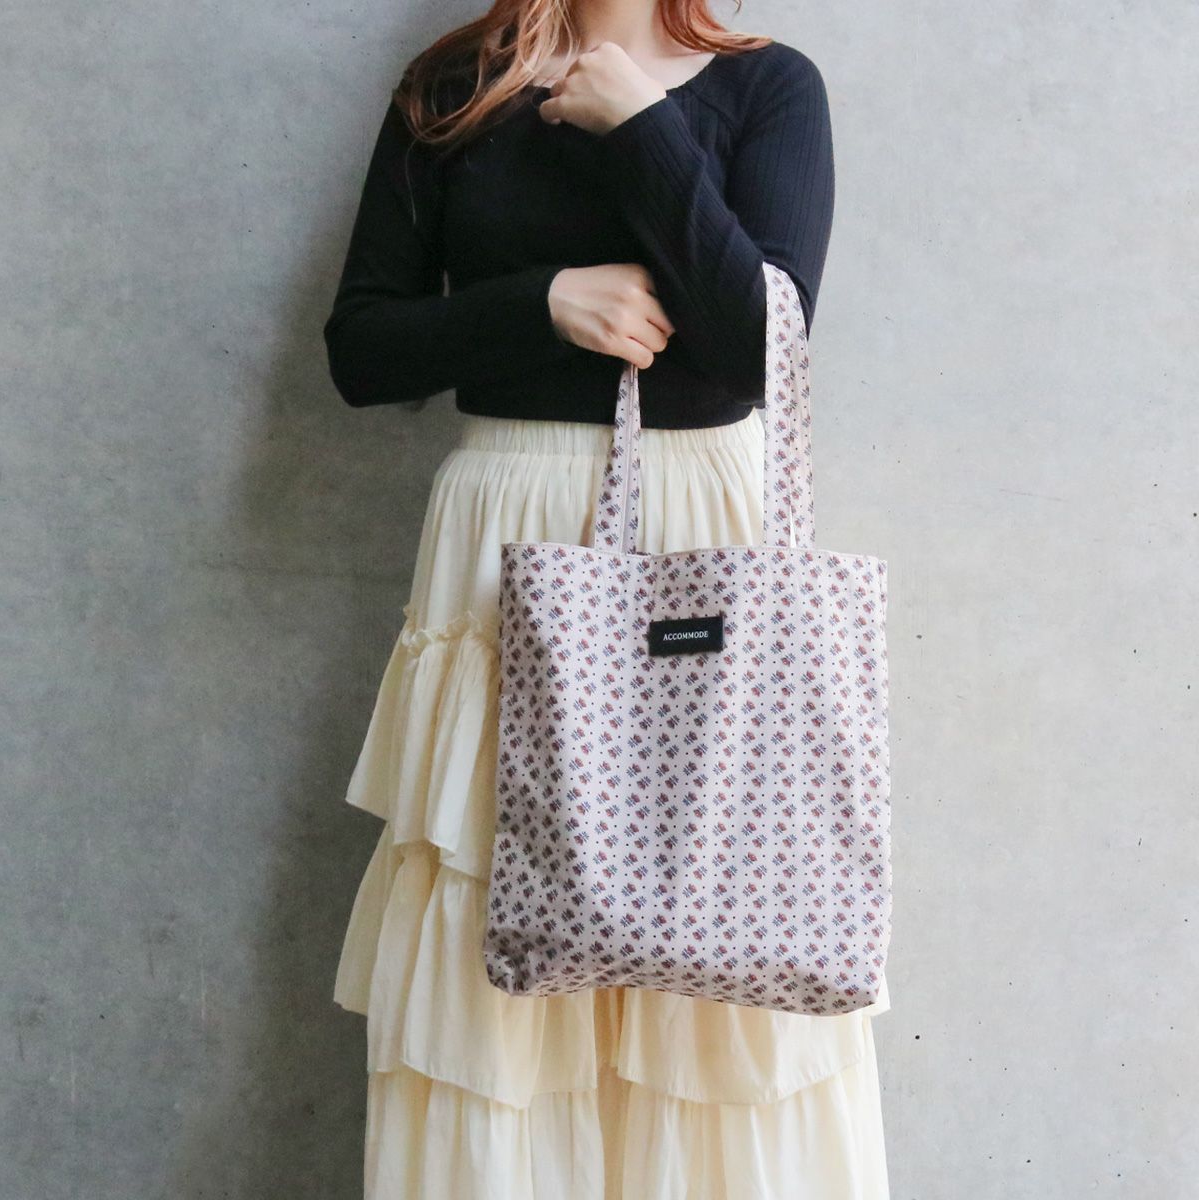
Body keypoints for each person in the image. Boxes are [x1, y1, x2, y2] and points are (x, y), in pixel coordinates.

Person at [323, 3, 892, 1196]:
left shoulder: (768, 87)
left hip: (709, 518)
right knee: (504, 909)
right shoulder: (456, 86)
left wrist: (643, 129)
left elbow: (762, 348)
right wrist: (539, 301)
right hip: (505, 526)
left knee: (720, 904)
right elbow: (363, 350)